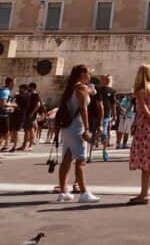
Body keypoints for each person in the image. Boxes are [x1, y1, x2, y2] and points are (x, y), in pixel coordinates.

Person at [55, 64, 100, 203]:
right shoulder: (81, 88)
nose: (90, 76)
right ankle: (84, 192)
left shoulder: (71, 88)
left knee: (67, 159)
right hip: (77, 127)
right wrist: (87, 128)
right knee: (81, 160)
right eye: (88, 73)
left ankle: (63, 191)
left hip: (67, 127)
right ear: (82, 74)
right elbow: (83, 109)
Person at [128, 64, 150, 204]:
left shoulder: (141, 91)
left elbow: (145, 110)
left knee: (145, 162)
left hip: (144, 127)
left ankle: (143, 194)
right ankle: (146, 192)